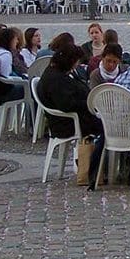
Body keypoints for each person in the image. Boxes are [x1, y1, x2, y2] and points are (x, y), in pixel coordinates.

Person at [37, 41, 104, 187]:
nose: (77, 65)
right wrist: (89, 103)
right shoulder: (56, 79)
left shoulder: (59, 73)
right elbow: (67, 105)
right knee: (108, 129)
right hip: (67, 123)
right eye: (76, 62)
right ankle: (97, 169)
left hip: (75, 117)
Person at [0, 26, 26, 102]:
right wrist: (21, 80)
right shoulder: (5, 55)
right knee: (33, 88)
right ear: (10, 40)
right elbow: (6, 77)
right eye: (16, 39)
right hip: (2, 92)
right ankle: (32, 113)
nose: (17, 42)